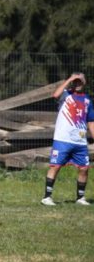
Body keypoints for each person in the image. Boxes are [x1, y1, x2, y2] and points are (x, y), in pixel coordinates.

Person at [41, 72, 94, 206]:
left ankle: (80, 198)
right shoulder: (66, 95)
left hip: (80, 142)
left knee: (84, 168)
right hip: (62, 140)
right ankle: (47, 197)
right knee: (55, 166)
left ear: (84, 83)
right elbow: (55, 95)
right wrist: (69, 79)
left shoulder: (88, 100)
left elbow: (91, 122)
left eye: (79, 81)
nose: (77, 84)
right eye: (75, 82)